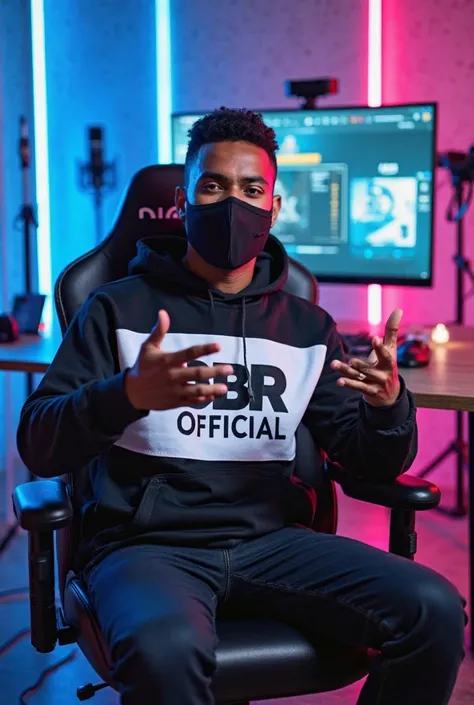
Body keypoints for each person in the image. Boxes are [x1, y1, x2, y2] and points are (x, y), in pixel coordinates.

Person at [17, 108, 465, 705]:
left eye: (252, 190)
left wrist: (386, 408)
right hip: (146, 547)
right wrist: (124, 396)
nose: (233, 204)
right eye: (214, 186)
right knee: (165, 650)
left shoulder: (308, 327)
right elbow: (39, 442)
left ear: (273, 209)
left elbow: (370, 462)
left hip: (273, 542)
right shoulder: (115, 309)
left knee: (434, 611)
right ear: (183, 202)